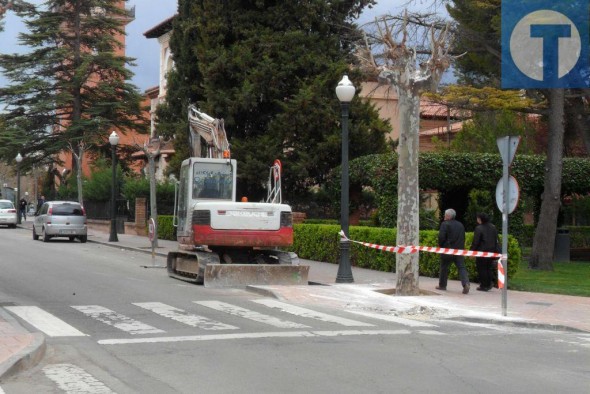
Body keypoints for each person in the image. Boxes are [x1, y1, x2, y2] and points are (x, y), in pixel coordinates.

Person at [437, 208, 470, 294]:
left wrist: (440, 246)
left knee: (444, 267)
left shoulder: (445, 224)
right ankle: (466, 283)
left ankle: (442, 285)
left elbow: (441, 237)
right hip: (459, 250)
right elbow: (463, 237)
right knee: (461, 267)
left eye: (445, 215)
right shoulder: (460, 225)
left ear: (447, 216)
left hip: (447, 250)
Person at [470, 212, 500, 291]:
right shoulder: (493, 227)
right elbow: (496, 239)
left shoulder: (479, 228)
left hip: (482, 252)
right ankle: (489, 283)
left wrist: (472, 251)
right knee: (488, 268)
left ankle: (484, 285)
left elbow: (476, 241)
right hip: (492, 251)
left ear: (480, 219)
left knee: (481, 268)